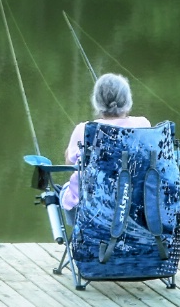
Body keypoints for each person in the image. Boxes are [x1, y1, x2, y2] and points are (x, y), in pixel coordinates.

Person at [59, 73, 150, 211]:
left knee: (62, 191)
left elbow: (69, 162)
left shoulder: (84, 129)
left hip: (91, 206)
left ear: (97, 102)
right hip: (135, 205)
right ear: (127, 101)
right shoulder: (143, 125)